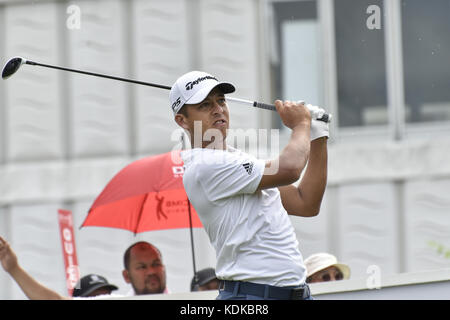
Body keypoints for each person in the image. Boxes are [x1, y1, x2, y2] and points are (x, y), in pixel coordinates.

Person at [171, 71, 329, 300]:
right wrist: (302, 124)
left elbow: (306, 202)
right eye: (205, 105)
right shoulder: (205, 165)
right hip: (251, 298)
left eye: (221, 100)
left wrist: (318, 135)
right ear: (182, 120)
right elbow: (290, 169)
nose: (218, 109)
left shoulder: (239, 160)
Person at [0, 236, 167, 299]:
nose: (151, 271)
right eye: (142, 267)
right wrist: (14, 269)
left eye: (156, 264)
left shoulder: (190, 302)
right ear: (127, 276)